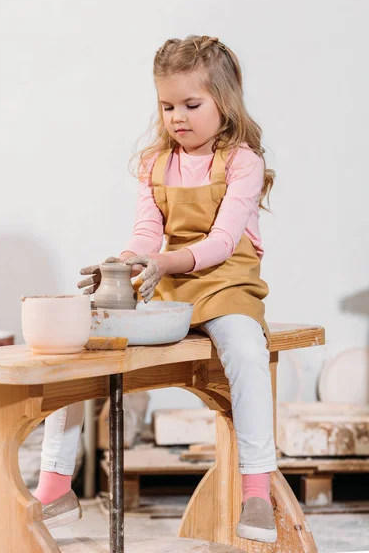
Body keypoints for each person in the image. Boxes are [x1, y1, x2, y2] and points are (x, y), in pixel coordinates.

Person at [34, 35, 277, 544]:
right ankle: (55, 483)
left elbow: (221, 242)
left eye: (191, 104)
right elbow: (147, 234)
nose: (177, 117)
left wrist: (160, 261)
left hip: (227, 280)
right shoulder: (155, 163)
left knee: (248, 351)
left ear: (224, 102)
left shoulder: (242, 161)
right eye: (167, 106)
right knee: (78, 341)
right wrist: (120, 267)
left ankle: (256, 487)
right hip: (169, 284)